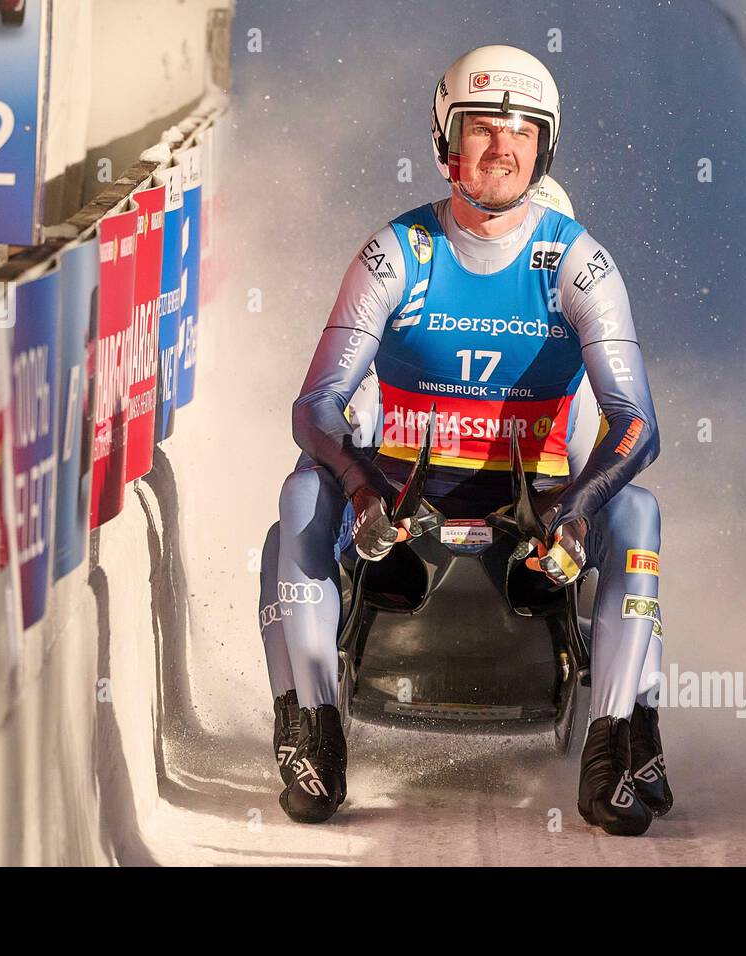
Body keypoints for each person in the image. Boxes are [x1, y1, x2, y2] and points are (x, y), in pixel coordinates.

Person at [257, 45, 672, 835]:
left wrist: (577, 507)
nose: (501, 148)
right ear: (447, 143)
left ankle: (618, 742)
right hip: (404, 507)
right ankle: (313, 732)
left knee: (639, 513)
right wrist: (360, 484)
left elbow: (637, 424)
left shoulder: (577, 263)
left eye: (521, 131)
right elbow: (316, 404)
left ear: (544, 147)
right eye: (481, 129)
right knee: (300, 497)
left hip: (535, 512)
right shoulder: (396, 253)